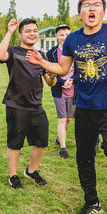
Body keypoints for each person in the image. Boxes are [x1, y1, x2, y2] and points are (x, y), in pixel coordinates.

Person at [27, 0, 107, 214]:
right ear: (79, 15)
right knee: (84, 156)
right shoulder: (73, 39)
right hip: (85, 107)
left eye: (97, 5)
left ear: (103, 12)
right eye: (87, 6)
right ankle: (92, 202)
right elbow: (62, 68)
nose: (92, 9)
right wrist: (42, 62)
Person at [0, 18, 56, 189]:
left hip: (36, 106)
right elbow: (0, 55)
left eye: (35, 31)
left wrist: (51, 76)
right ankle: (13, 175)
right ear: (21, 34)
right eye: (28, 31)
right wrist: (9, 31)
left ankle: (31, 171)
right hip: (16, 105)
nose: (32, 34)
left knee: (41, 142)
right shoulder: (14, 51)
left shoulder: (41, 55)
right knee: (15, 143)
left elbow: (50, 82)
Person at [46, 24, 76, 159]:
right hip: (58, 90)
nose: (65, 37)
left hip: (74, 89)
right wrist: (63, 82)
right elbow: (49, 71)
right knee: (62, 119)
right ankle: (63, 148)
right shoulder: (51, 53)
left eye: (67, 34)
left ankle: (59, 138)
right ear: (57, 36)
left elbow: (80, 70)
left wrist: (72, 81)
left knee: (69, 118)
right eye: (61, 35)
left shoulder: (76, 51)